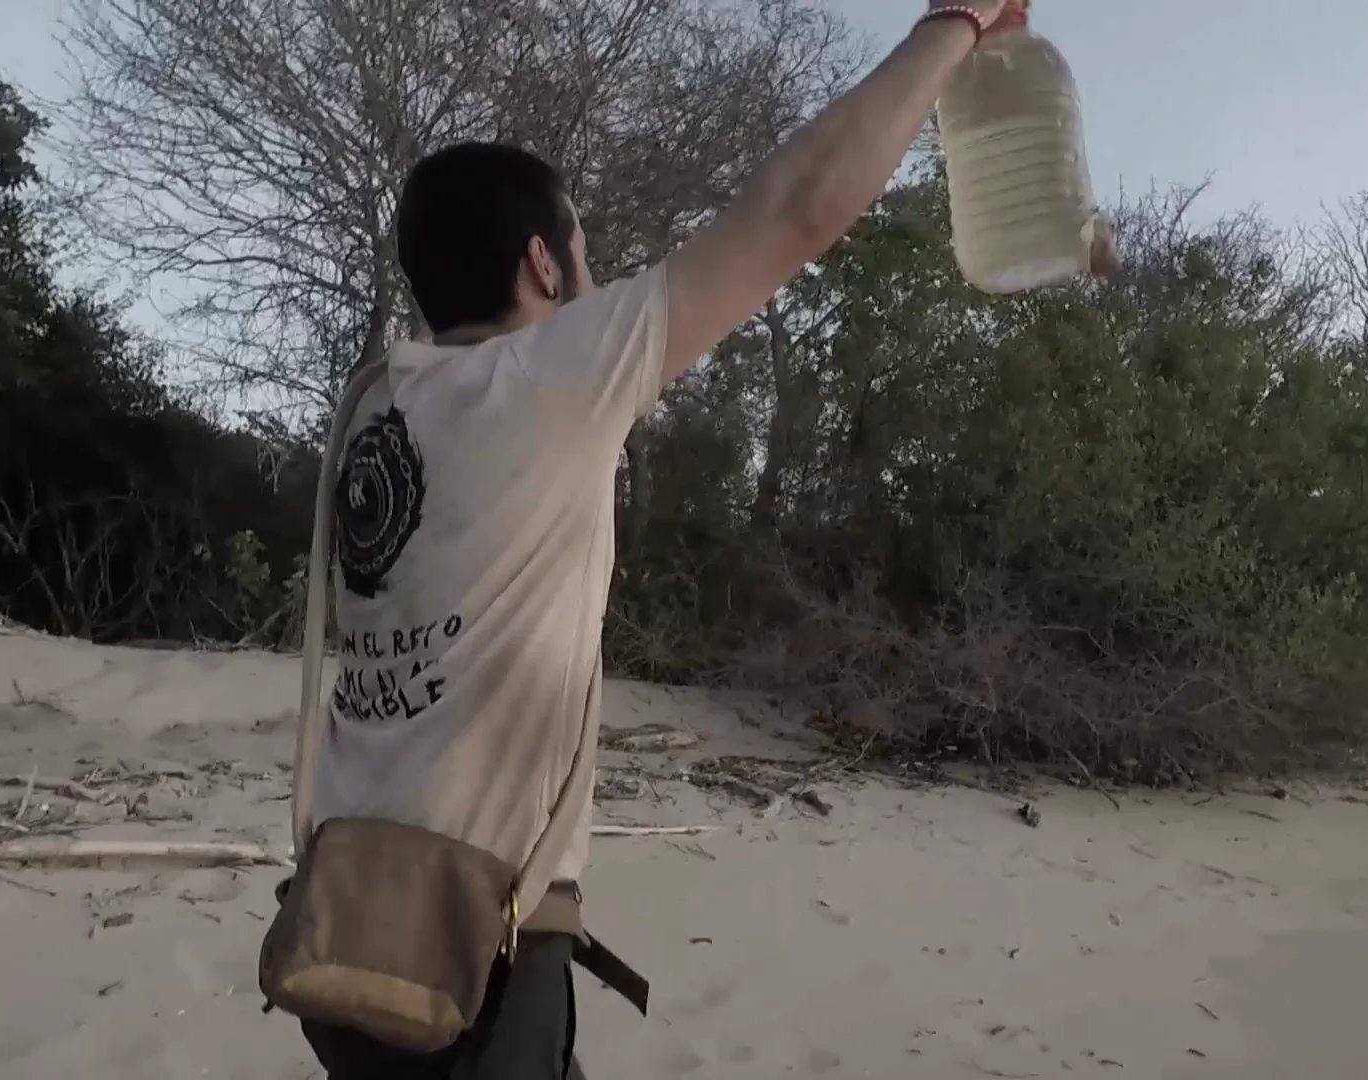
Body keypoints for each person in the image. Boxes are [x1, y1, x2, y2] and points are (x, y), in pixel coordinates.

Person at [302, 1, 1018, 1076]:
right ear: (544, 265)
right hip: (466, 957)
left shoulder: (374, 400)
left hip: (343, 916)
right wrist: (956, 22)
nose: (592, 279)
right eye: (582, 254)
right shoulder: (549, 378)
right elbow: (800, 208)